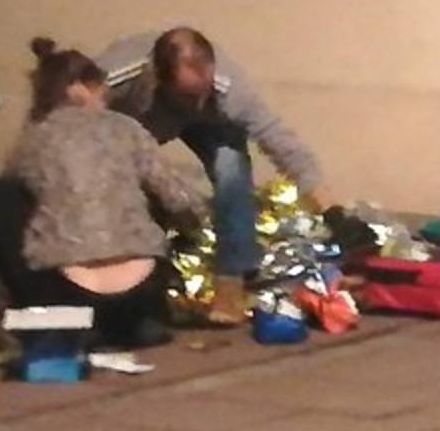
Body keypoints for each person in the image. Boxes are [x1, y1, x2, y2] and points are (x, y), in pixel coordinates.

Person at [96, 28, 333, 325]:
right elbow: (66, 117)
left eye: (203, 91)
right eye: (188, 95)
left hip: (215, 121)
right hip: (139, 121)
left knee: (232, 174)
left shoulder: (229, 88)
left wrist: (330, 209)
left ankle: (231, 284)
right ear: (157, 78)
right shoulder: (118, 74)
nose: (197, 103)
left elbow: (280, 141)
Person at [1, 38, 209, 348]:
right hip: (142, 280)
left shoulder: (33, 138)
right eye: (103, 92)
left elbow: (11, 185)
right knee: (151, 196)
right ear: (82, 88)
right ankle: (140, 318)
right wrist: (193, 229)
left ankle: (38, 313)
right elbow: (178, 198)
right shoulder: (127, 128)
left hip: (68, 284)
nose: (106, 101)